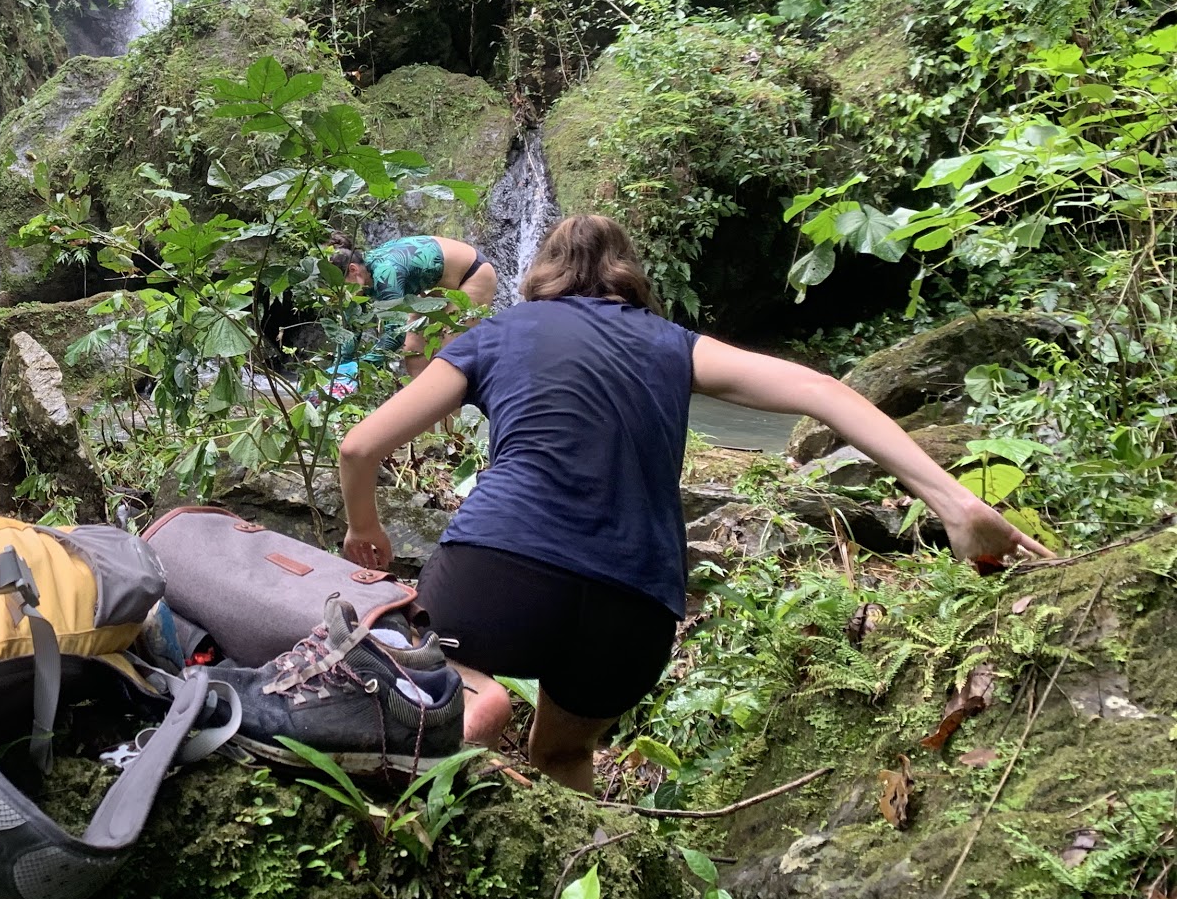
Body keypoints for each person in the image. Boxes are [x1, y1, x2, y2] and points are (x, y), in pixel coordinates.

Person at [334, 214, 1051, 794]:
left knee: (421, 657)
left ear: (541, 278)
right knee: (558, 754)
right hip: (635, 609)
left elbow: (360, 448)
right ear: (630, 281)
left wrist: (365, 525)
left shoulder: (498, 332)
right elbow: (823, 393)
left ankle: (470, 701)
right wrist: (953, 501)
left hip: (498, 581)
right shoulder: (673, 345)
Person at [330, 234, 501, 377]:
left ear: (353, 270)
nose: (341, 292)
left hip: (472, 274)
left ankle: (450, 415)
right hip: (434, 286)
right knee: (414, 351)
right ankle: (429, 410)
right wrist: (339, 368)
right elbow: (352, 325)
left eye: (341, 285)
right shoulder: (362, 276)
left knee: (450, 358)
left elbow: (395, 334)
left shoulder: (385, 272)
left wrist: (358, 368)